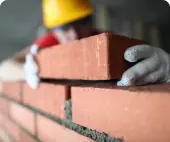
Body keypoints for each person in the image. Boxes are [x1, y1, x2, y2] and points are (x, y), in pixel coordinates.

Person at [1, 0, 170, 89]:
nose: (74, 34)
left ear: (91, 19)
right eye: (64, 27)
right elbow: (4, 68)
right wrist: (28, 71)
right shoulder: (50, 43)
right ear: (53, 29)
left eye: (81, 21)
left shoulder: (103, 39)